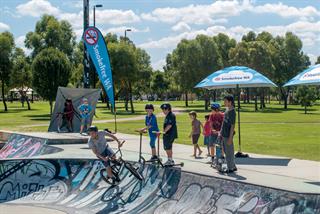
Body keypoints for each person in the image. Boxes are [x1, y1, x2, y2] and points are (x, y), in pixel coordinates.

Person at [219, 95, 237, 173]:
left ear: (230, 102)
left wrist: (230, 138)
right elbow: (224, 122)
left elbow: (232, 126)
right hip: (224, 133)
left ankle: (230, 168)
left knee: (229, 152)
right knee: (226, 151)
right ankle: (233, 166)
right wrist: (220, 132)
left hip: (228, 135)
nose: (224, 102)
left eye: (226, 101)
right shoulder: (227, 110)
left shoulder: (232, 112)